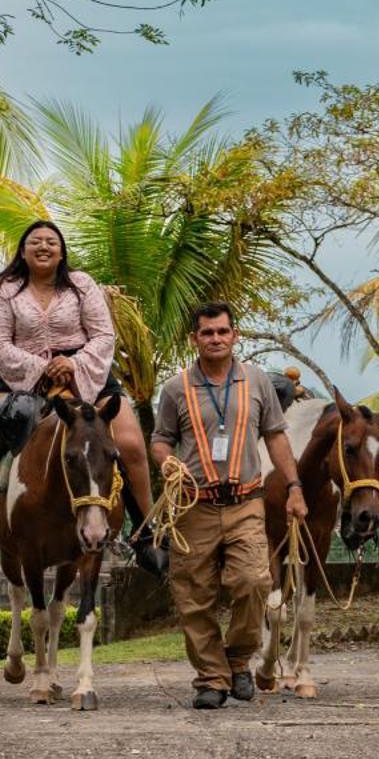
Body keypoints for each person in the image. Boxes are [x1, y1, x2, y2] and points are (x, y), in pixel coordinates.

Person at [0, 220, 167, 575]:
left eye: (51, 242)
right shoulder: (4, 289)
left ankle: (145, 530)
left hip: (88, 375)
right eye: (35, 241)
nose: (43, 247)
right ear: (22, 250)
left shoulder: (82, 285)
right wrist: (43, 368)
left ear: (62, 251)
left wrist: (75, 364)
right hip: (21, 378)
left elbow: (103, 335)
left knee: (130, 444)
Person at [151, 301, 308, 710]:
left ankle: (238, 659)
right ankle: (211, 679)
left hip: (245, 502)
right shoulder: (175, 388)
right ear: (195, 339)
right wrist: (167, 462)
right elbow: (161, 439)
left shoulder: (256, 382)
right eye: (207, 332)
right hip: (193, 506)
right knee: (193, 597)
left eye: (222, 331)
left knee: (254, 582)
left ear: (234, 335)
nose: (215, 339)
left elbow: (275, 436)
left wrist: (294, 487)